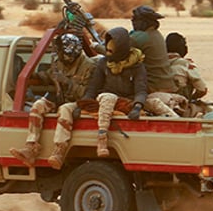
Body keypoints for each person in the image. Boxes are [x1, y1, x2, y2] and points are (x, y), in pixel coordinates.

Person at [77, 26, 165, 158]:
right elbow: (93, 88)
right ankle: (102, 137)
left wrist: (137, 106)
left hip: (127, 102)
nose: (108, 54)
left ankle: (180, 123)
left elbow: (141, 90)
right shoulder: (103, 64)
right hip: (106, 100)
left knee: (156, 103)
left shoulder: (137, 66)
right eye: (107, 50)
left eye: (111, 51)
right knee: (109, 97)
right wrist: (82, 104)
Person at [9, 32, 95, 167]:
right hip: (60, 96)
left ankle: (59, 150)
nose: (59, 56)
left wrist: (67, 82)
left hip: (77, 101)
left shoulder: (89, 66)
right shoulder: (59, 62)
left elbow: (87, 93)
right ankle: (30, 147)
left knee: (64, 110)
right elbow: (50, 75)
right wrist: (34, 77)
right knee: (38, 105)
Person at [130, 4, 188, 118]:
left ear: (144, 22)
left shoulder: (142, 36)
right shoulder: (156, 34)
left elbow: (117, 50)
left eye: (136, 20)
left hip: (153, 85)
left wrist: (96, 46)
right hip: (167, 83)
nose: (133, 22)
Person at [165, 32, 210, 117]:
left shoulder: (158, 63)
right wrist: (192, 98)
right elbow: (202, 89)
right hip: (180, 106)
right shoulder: (186, 64)